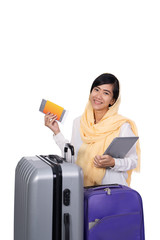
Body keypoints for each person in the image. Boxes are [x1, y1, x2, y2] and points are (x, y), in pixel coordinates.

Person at [44, 73, 140, 187]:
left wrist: (114, 162)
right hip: (83, 190)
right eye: (96, 90)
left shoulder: (122, 126)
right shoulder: (79, 122)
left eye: (106, 93)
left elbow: (133, 161)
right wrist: (57, 132)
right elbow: (73, 157)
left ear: (112, 101)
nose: (98, 96)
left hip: (112, 193)